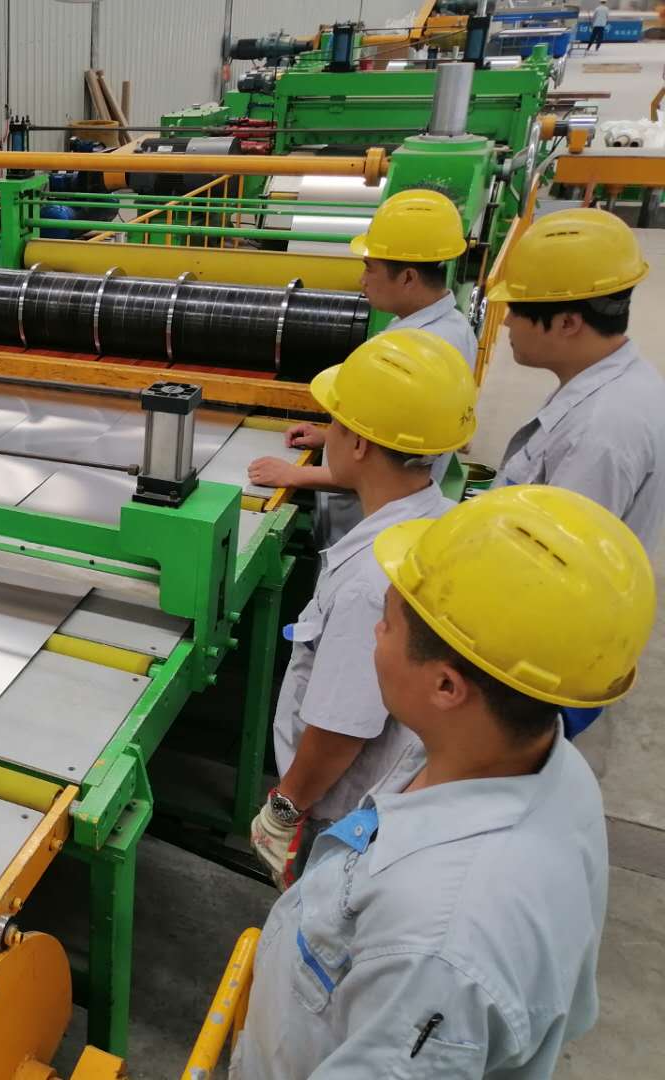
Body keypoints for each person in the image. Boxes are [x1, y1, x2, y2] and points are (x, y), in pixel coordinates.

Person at [235, 485, 655, 1078]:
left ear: (446, 686)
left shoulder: (437, 950)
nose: (375, 635)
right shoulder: (550, 767)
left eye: (386, 624)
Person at [249, 329, 477, 889]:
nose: (328, 431)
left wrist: (286, 807)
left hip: (342, 813)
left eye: (336, 421)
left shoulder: (370, 583)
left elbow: (339, 729)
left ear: (359, 447)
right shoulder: (443, 520)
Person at [490, 207, 665, 735]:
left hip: (538, 670)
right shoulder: (617, 385)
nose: (505, 323)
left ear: (568, 322)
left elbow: (553, 577)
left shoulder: (602, 431)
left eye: (518, 310)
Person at [248, 190, 477, 546]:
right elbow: (390, 439)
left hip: (365, 526)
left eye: (370, 268)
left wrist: (293, 475)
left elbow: (383, 468)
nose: (362, 280)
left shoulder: (418, 353)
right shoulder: (452, 326)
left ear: (408, 278)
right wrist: (331, 437)